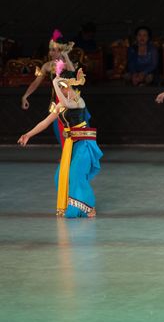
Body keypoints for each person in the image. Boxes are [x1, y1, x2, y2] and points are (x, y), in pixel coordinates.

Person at [18, 60, 102, 218]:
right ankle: (72, 203)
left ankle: (89, 207)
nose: (63, 89)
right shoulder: (60, 105)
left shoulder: (78, 100)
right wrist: (28, 134)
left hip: (84, 144)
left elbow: (66, 102)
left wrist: (56, 82)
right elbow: (45, 122)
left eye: (64, 86)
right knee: (60, 176)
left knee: (77, 174)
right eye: (61, 87)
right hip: (71, 145)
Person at [20, 29, 76, 145]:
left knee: (76, 135)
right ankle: (66, 157)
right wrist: (25, 96)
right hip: (57, 102)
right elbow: (36, 82)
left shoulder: (69, 66)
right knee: (60, 133)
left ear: (62, 51)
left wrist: (66, 57)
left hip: (72, 100)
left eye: (54, 50)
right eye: (50, 50)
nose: (51, 53)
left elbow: (73, 75)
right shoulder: (47, 66)